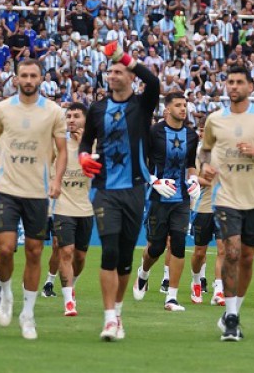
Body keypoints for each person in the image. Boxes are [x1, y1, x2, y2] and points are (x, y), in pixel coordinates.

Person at [78, 41, 159, 341]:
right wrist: (83, 157)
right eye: (110, 70)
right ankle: (109, 318)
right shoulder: (97, 108)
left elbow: (154, 81)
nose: (112, 75)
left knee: (125, 257)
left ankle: (119, 311)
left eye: (119, 70)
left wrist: (124, 56)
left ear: (129, 75)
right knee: (109, 250)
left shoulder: (142, 104)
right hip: (105, 190)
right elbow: (86, 142)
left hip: (135, 190)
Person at [0, 58, 67, 340]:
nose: (28, 80)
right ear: (16, 78)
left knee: (34, 251)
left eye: (33, 75)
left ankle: (27, 313)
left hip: (38, 193)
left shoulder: (53, 111)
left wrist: (56, 180)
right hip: (7, 189)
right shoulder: (3, 109)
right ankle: (5, 293)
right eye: (24, 75)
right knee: (5, 249)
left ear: (41, 79)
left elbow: (62, 150)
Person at [199, 67, 254, 341]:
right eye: (230, 82)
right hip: (225, 198)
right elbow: (205, 149)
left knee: (247, 257)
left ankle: (232, 313)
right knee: (232, 252)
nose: (233, 86)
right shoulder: (215, 119)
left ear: (250, 86)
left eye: (239, 82)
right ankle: (232, 317)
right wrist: (205, 166)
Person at [133, 91, 200, 312]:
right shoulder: (154, 132)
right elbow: (140, 162)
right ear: (167, 109)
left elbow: (191, 164)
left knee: (179, 244)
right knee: (157, 247)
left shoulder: (192, 136)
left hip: (181, 198)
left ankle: (171, 297)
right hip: (157, 198)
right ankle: (143, 272)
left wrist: (193, 179)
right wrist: (153, 181)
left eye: (185, 104)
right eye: (179, 105)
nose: (184, 108)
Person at [41, 102, 95, 317]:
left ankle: (71, 285)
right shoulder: (58, 143)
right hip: (62, 205)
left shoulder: (95, 144)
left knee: (80, 257)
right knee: (65, 251)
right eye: (68, 116)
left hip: (86, 207)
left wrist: (85, 147)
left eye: (76, 116)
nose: (71, 120)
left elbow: (99, 174)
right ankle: (68, 301)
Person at [189, 140, 226, 307]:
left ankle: (219, 289)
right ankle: (196, 282)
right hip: (203, 207)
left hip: (224, 207)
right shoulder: (202, 152)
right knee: (199, 253)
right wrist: (214, 180)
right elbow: (193, 177)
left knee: (223, 249)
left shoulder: (230, 152)